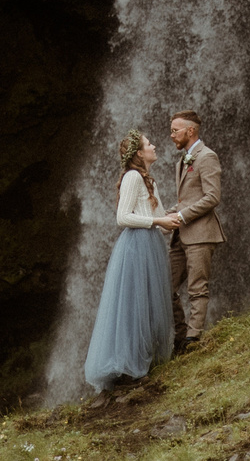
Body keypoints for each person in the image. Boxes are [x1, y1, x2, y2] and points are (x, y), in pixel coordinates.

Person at [81, 127, 175, 390]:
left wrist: (182, 216)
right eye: (149, 143)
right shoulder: (132, 177)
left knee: (147, 303)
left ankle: (143, 361)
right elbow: (122, 217)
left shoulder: (150, 180)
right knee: (134, 304)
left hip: (151, 244)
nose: (154, 146)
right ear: (138, 153)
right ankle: (129, 366)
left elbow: (164, 218)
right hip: (136, 246)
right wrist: (157, 220)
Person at [156, 110, 222, 351]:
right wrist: (162, 218)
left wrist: (181, 216)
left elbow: (213, 197)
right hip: (180, 236)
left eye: (175, 130)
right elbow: (186, 199)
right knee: (165, 285)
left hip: (201, 234)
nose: (171, 135)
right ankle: (181, 333)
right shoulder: (182, 161)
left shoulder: (207, 157)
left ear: (190, 130)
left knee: (197, 287)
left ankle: (193, 340)